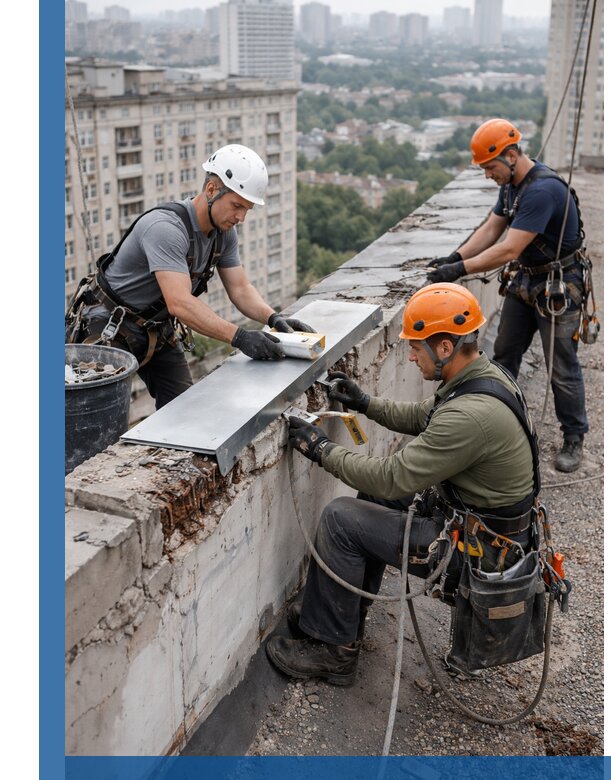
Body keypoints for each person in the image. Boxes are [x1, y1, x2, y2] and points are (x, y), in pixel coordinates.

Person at [266, 283, 538, 686]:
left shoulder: (471, 415)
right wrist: (365, 403)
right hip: (482, 528)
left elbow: (393, 477)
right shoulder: (482, 375)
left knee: (342, 519)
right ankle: (342, 614)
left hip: (479, 557)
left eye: (416, 347)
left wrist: (320, 448)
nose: (410, 355)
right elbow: (422, 416)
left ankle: (334, 652)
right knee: (373, 499)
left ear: (444, 347)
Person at [65, 144, 312, 409]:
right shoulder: (166, 229)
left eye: (247, 209)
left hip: (155, 329)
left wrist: (274, 318)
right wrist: (240, 337)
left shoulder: (223, 234)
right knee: (100, 419)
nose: (240, 217)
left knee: (184, 409)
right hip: (109, 328)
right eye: (237, 206)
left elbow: (240, 289)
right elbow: (179, 303)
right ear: (211, 190)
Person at [425, 118, 589, 473]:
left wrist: (460, 270)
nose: (488, 175)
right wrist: (457, 257)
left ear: (511, 155)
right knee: (504, 354)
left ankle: (574, 437)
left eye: (490, 167)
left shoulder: (541, 191)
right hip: (527, 282)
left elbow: (509, 248)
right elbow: (492, 228)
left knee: (561, 366)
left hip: (557, 285)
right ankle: (500, 425)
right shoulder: (512, 185)